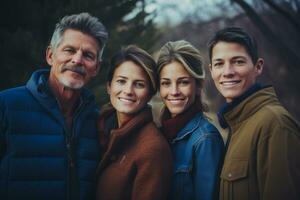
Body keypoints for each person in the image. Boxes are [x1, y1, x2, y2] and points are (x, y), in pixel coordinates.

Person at [0, 12, 108, 200]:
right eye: (69, 50)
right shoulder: (6, 105)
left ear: (96, 68)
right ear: (50, 55)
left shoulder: (99, 122)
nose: (77, 60)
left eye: (88, 55)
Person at [208, 27, 300, 200]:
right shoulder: (238, 123)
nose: (227, 72)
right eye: (219, 64)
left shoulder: (275, 124)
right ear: (211, 70)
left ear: (258, 67)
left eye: (238, 62)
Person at [96, 45, 173, 200]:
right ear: (109, 86)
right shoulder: (99, 128)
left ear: (150, 94)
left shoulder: (152, 149)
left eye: (139, 84)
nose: (128, 90)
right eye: (121, 81)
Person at [156, 40, 224, 200]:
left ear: (198, 85)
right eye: (166, 83)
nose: (174, 91)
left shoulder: (205, 140)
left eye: (183, 82)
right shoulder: (159, 134)